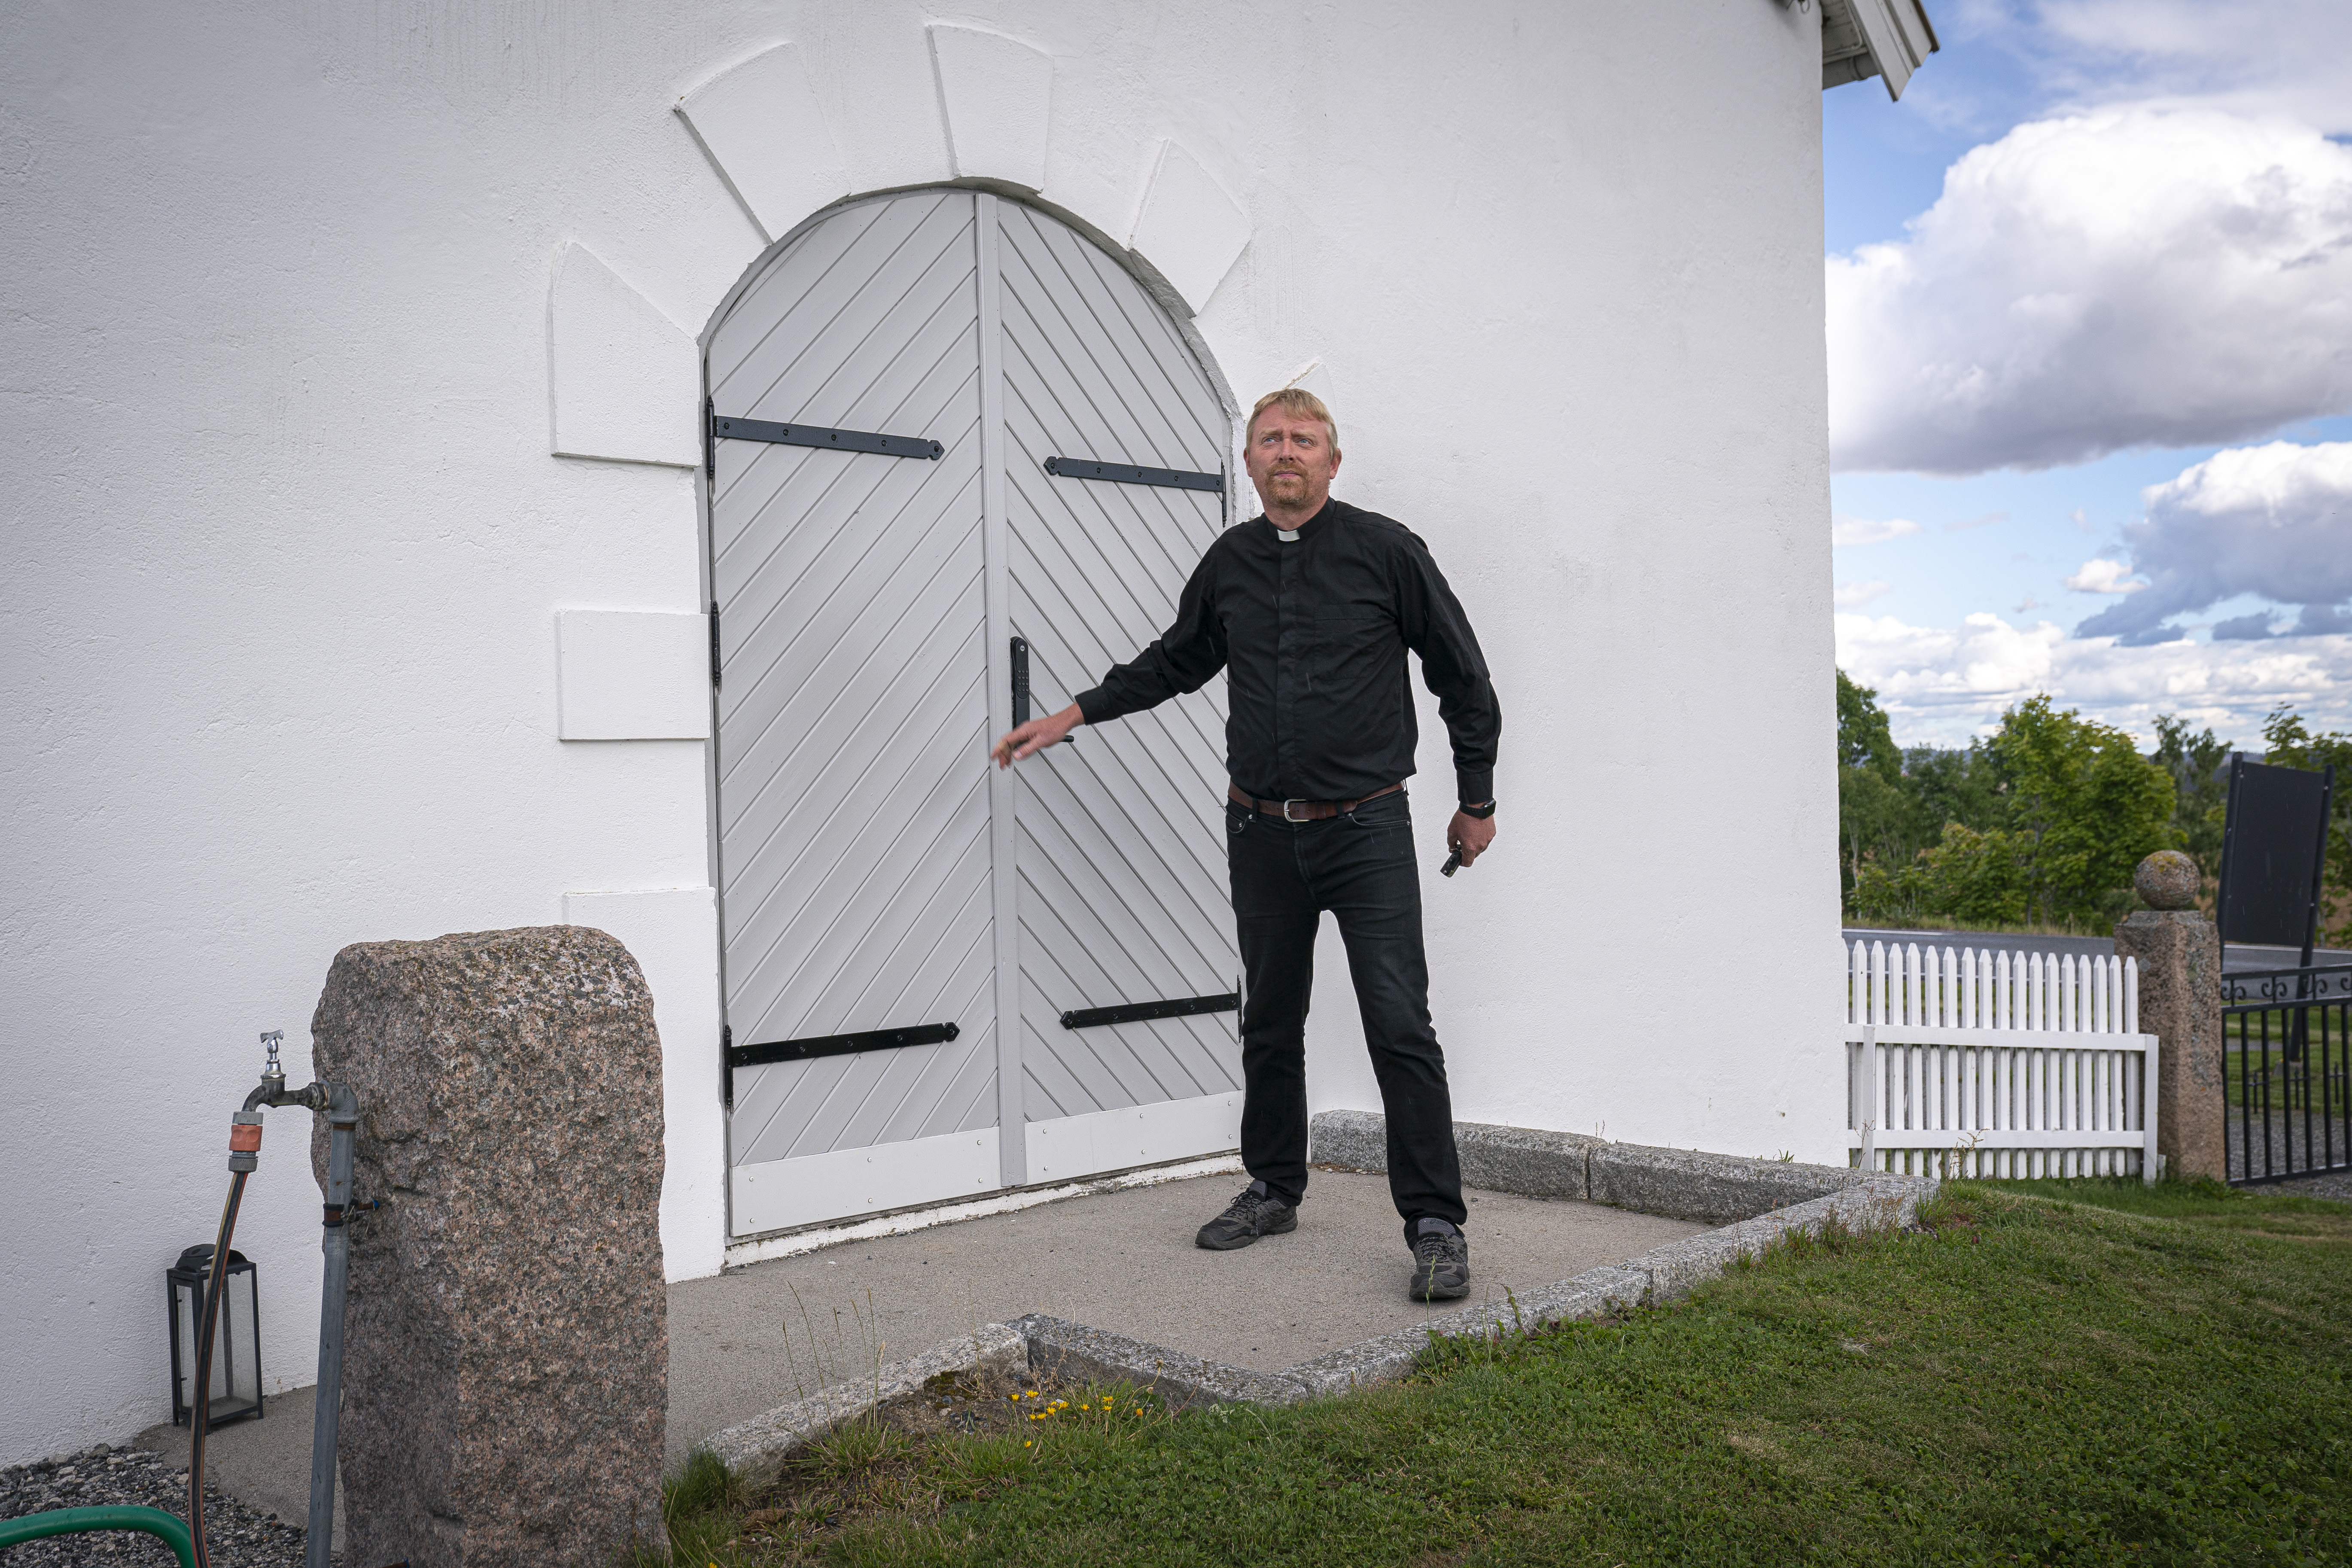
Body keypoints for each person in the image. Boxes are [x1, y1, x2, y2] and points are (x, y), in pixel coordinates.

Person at [992, 388, 1499, 1301]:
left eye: (1305, 440)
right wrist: (1074, 712)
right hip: (1260, 831)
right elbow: (1176, 659)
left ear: (1333, 462)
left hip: (1368, 827)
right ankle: (1274, 1186)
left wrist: (1477, 797)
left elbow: (1462, 673)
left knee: (1399, 1023)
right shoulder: (1229, 561)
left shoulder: (1389, 552)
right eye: (1271, 439)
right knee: (1269, 1017)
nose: (1287, 452)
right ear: (1250, 461)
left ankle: (1435, 1223)